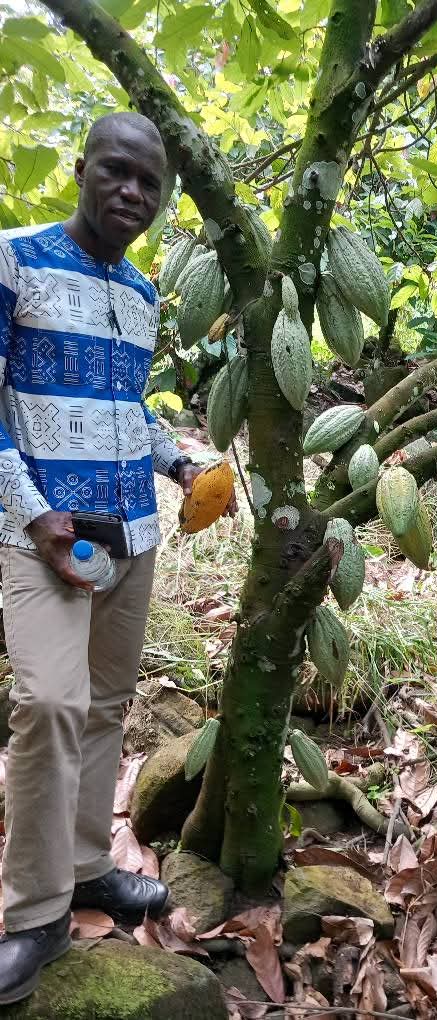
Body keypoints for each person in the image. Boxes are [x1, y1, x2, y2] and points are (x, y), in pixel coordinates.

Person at [0, 111, 233, 1004]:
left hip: (129, 531)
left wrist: (180, 463)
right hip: (42, 536)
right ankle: (34, 917)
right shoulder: (16, 259)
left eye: (150, 183)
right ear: (83, 167)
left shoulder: (140, 293)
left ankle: (91, 866)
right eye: (117, 172)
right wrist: (32, 513)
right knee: (49, 705)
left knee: (104, 708)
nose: (132, 192)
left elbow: (126, 410)